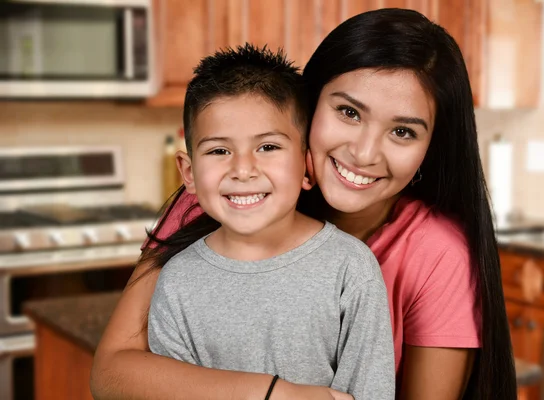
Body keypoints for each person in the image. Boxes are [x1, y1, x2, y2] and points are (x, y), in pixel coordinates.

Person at [91, 8, 516, 400]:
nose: (365, 153)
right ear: (309, 104)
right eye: (349, 112)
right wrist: (272, 394)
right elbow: (111, 374)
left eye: (403, 132)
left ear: (430, 147)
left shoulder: (435, 253)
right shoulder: (216, 202)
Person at [146, 44, 395, 400]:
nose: (243, 170)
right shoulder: (177, 281)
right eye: (219, 151)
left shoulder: (350, 268)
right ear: (188, 173)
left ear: (307, 166)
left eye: (268, 147)